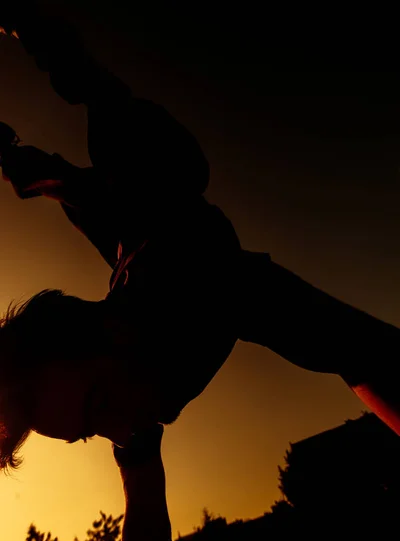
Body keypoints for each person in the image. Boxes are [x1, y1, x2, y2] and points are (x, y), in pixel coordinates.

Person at [0, 2, 400, 477]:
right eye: (90, 431)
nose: (120, 433)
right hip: (139, 244)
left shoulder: (204, 284)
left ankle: (30, 35)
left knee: (105, 170)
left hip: (165, 231)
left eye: (100, 406)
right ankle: (21, 159)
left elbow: (357, 348)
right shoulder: (132, 416)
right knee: (86, 194)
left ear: (116, 335)